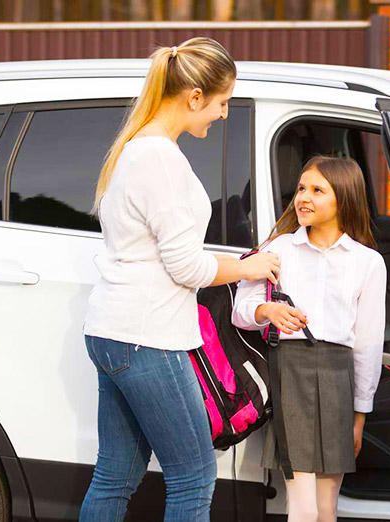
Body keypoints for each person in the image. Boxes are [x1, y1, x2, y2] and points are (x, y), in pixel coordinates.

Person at [80, 38, 280, 522]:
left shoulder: (136, 150)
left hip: (114, 332)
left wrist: (229, 261)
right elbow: (186, 268)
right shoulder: (159, 159)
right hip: (148, 337)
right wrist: (249, 268)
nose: (224, 113)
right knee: (193, 476)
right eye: (222, 101)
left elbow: (166, 250)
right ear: (194, 96)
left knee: (116, 475)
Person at [232, 156, 387, 522]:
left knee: (326, 506)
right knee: (302, 505)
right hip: (291, 373)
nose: (304, 197)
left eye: (318, 190)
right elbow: (242, 306)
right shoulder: (280, 248)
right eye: (302, 188)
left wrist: (359, 416)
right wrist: (268, 311)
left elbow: (367, 344)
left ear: (343, 199)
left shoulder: (367, 262)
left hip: (338, 378)